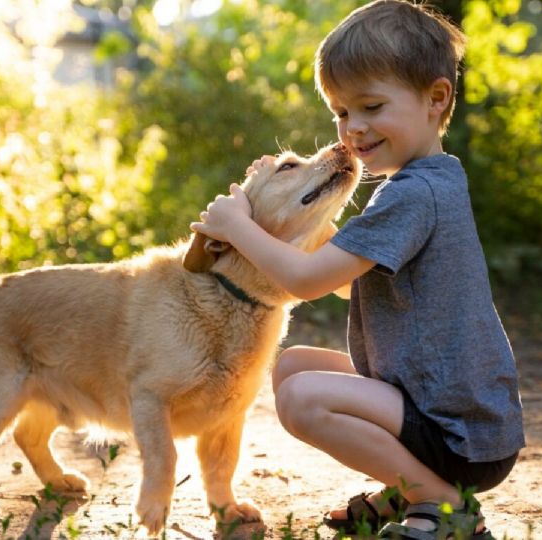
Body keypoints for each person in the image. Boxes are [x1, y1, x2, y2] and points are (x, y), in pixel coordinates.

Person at [190, 1, 524, 538]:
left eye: (370, 106)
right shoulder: (429, 180)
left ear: (436, 98)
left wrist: (237, 229)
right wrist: (278, 205)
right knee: (293, 365)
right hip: (447, 409)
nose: (353, 129)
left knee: (301, 399)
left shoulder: (413, 195)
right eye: (342, 113)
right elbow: (348, 283)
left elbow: (306, 282)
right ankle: (409, 489)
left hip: (459, 434)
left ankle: (441, 501)